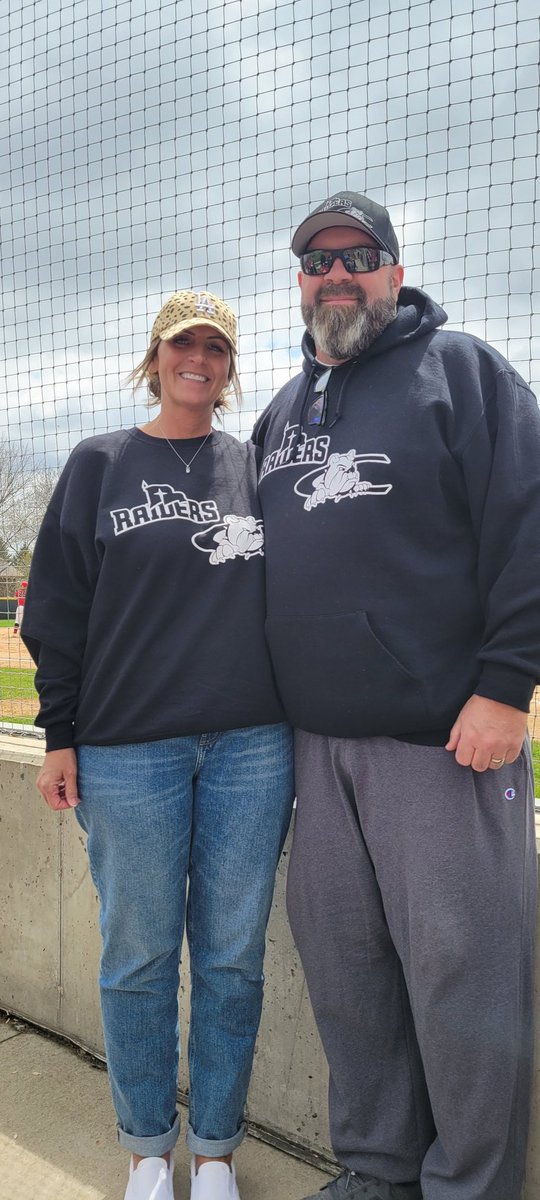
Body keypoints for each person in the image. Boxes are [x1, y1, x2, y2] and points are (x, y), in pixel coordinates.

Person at [253, 191, 540, 1200]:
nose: (336, 275)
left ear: (394, 271)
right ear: (298, 282)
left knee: (467, 987)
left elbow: (529, 524)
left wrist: (508, 688)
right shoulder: (279, 414)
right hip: (313, 753)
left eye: (357, 256)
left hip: (444, 745)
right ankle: (376, 1174)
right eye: (316, 261)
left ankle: (470, 1185)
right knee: (351, 984)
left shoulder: (459, 373)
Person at [22, 290, 294, 1200]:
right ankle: (147, 1148)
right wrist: (60, 736)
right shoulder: (101, 462)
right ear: (155, 356)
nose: (202, 360)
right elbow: (56, 610)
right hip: (128, 749)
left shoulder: (253, 466)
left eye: (218, 348)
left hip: (251, 747)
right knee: (137, 956)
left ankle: (214, 1152)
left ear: (229, 368)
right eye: (186, 343)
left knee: (230, 956)